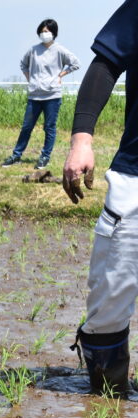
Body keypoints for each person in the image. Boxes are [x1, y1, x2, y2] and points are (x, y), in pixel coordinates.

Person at [62, 0, 138, 397]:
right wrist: (82, 140)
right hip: (136, 179)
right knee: (109, 302)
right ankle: (107, 404)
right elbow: (106, 64)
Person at [2, 19, 81, 170]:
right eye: (42, 31)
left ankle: (45, 156)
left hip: (52, 95)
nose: (44, 34)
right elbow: (23, 64)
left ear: (53, 33)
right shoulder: (33, 50)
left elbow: (76, 63)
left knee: (49, 127)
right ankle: (16, 155)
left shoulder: (60, 50)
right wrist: (30, 78)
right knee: (27, 126)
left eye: (47, 31)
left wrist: (60, 75)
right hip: (34, 95)